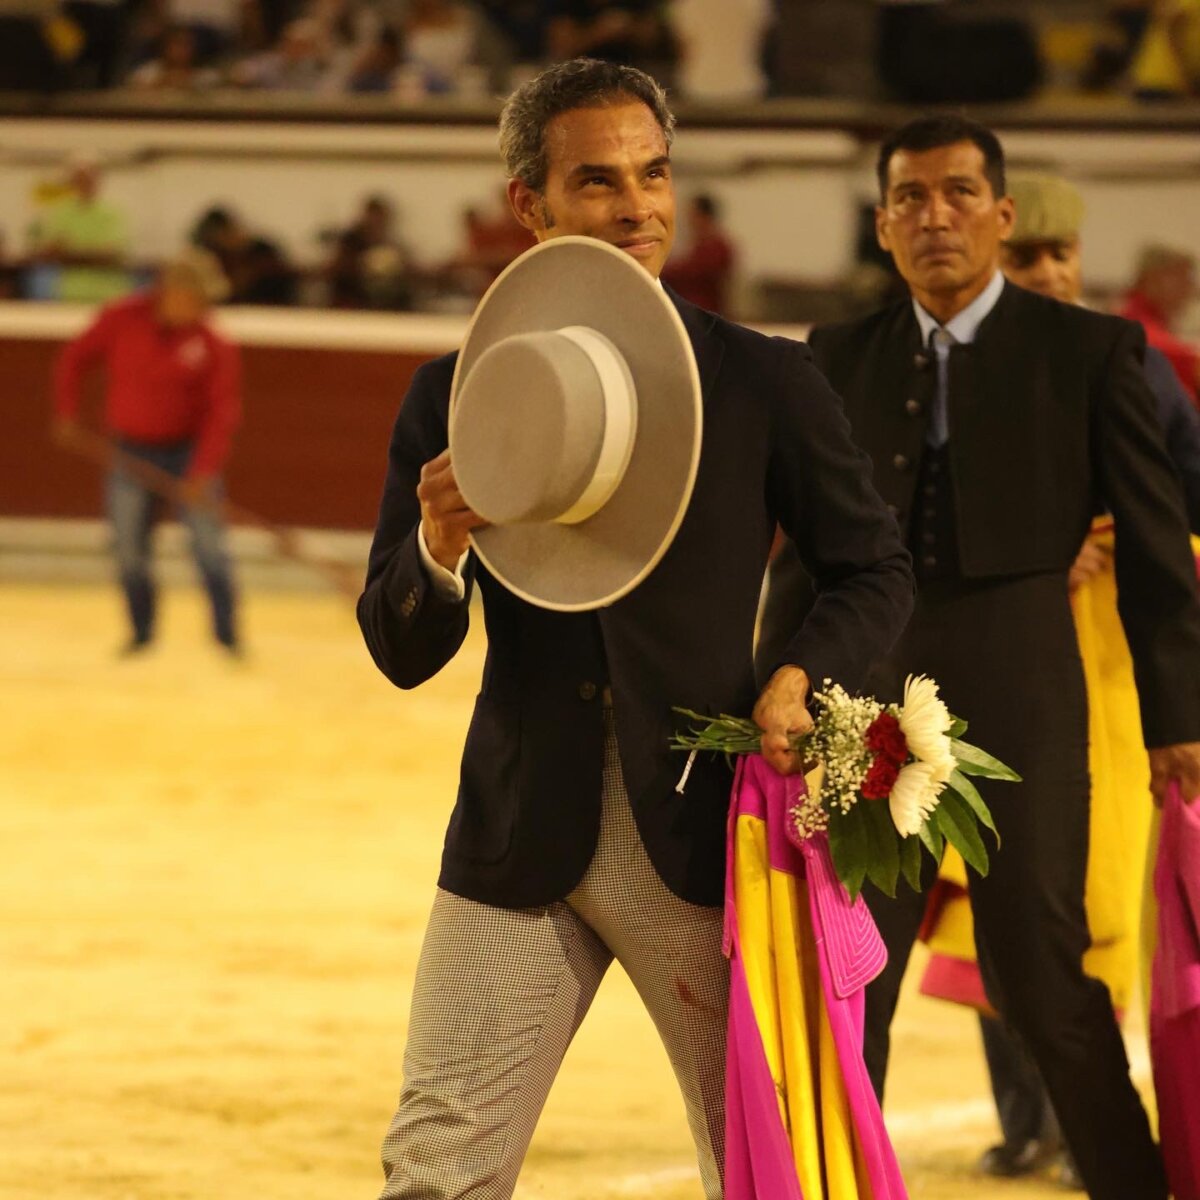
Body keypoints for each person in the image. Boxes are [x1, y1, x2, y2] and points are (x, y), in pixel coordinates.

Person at [356, 57, 914, 1200]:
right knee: (433, 1168)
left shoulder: (762, 381)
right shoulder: (449, 394)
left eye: (654, 176)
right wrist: (439, 548)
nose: (638, 208)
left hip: (708, 836)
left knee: (769, 1169)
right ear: (531, 205)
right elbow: (399, 646)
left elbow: (873, 569)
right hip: (519, 829)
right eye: (599, 182)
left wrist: (803, 673)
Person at [758, 115, 1200, 1200]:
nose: (935, 216)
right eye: (910, 198)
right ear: (882, 224)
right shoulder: (836, 355)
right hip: (868, 699)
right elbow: (806, 556)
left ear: (1002, 215)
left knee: (1045, 972)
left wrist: (1179, 721)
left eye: (959, 193)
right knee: (853, 975)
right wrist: (774, 688)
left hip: (1024, 679)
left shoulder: (1092, 352)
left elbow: (1153, 555)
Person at [917, 172, 1200, 1187]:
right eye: (1026, 257)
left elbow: (1185, 518)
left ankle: (1088, 1123)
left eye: (1057, 256)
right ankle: (1026, 1117)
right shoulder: (957, 369)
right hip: (992, 662)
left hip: (1115, 676)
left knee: (1093, 898)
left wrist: (1117, 540)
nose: (1046, 273)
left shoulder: (1128, 367)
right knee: (996, 897)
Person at [52, 251, 243, 657]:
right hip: (129, 451)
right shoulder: (121, 318)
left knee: (210, 548)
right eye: (197, 299)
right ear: (171, 293)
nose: (203, 308)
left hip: (187, 453)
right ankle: (142, 634)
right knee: (128, 550)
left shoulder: (213, 341)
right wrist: (67, 411)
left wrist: (201, 471)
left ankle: (227, 637)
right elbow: (74, 359)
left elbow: (221, 413)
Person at [30, 154, 130, 303]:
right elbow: (49, 252)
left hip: (109, 293)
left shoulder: (115, 213)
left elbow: (112, 254)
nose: (84, 183)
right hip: (71, 293)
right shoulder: (60, 212)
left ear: (98, 179)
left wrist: (70, 252)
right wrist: (92, 253)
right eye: (79, 178)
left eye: (88, 177)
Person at [1120, 243, 1200, 403]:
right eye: (1181, 278)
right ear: (1153, 278)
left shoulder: (1128, 315)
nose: (1190, 289)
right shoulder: (1141, 330)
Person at [661, 192, 737, 316]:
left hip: (707, 313)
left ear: (704, 216)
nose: (689, 221)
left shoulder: (717, 247)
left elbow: (689, 273)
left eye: (693, 215)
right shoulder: (698, 245)